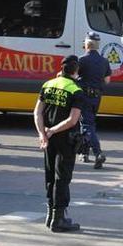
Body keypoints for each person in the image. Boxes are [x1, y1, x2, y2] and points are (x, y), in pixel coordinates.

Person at [34, 55, 86, 232]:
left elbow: (37, 112)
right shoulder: (75, 90)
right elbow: (73, 120)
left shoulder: (48, 85)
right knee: (62, 178)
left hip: (48, 138)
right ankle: (58, 219)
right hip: (65, 139)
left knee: (50, 175)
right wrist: (53, 130)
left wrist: (43, 133)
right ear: (76, 70)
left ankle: (50, 215)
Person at [76, 32, 111, 169]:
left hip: (83, 96)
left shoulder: (81, 60)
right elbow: (107, 80)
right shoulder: (104, 61)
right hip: (97, 97)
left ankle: (97, 153)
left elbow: (73, 75)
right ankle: (84, 153)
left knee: (86, 125)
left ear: (86, 44)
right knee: (89, 124)